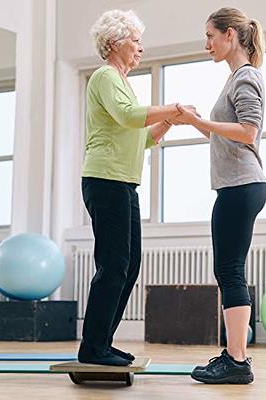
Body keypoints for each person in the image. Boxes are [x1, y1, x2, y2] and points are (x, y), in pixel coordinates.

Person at [79, 9, 197, 366]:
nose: (140, 48)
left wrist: (169, 123)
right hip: (105, 181)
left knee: (128, 266)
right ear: (115, 43)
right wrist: (171, 107)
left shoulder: (123, 82)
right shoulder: (104, 76)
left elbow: (141, 137)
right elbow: (130, 116)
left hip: (123, 184)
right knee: (113, 265)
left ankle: (102, 342)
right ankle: (93, 348)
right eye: (135, 40)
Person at [173, 7, 266, 384]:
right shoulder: (236, 78)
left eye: (211, 35)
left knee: (230, 272)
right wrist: (196, 123)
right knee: (228, 270)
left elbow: (248, 131)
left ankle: (237, 361)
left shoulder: (245, 77)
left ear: (230, 35)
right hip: (237, 186)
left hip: (241, 185)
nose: (207, 43)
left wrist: (200, 121)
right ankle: (234, 356)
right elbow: (225, 134)